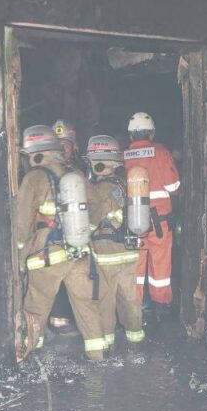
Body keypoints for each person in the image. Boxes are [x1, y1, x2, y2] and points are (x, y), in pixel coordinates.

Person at [15, 125, 106, 361]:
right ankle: (97, 354)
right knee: (86, 306)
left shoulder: (33, 178)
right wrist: (86, 231)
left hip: (47, 254)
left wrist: (20, 251)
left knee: (35, 307)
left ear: (35, 154)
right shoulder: (75, 175)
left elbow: (21, 222)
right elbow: (98, 205)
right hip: (80, 251)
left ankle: (29, 353)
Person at [86, 135, 145, 350]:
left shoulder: (99, 189)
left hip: (106, 253)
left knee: (106, 300)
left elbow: (92, 222)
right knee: (130, 299)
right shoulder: (125, 184)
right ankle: (135, 340)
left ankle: (108, 344)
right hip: (128, 250)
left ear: (98, 163)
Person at [123, 112, 180, 307]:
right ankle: (161, 307)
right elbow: (173, 187)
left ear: (131, 135)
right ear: (152, 133)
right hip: (159, 224)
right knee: (160, 268)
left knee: (135, 269)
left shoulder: (124, 156)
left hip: (133, 222)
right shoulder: (161, 153)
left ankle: (134, 308)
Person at [47, 119, 80, 335]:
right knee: (55, 279)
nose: (61, 148)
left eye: (65, 144)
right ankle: (58, 320)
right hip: (52, 235)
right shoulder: (42, 172)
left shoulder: (79, 170)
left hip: (77, 233)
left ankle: (73, 318)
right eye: (57, 144)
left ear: (73, 146)